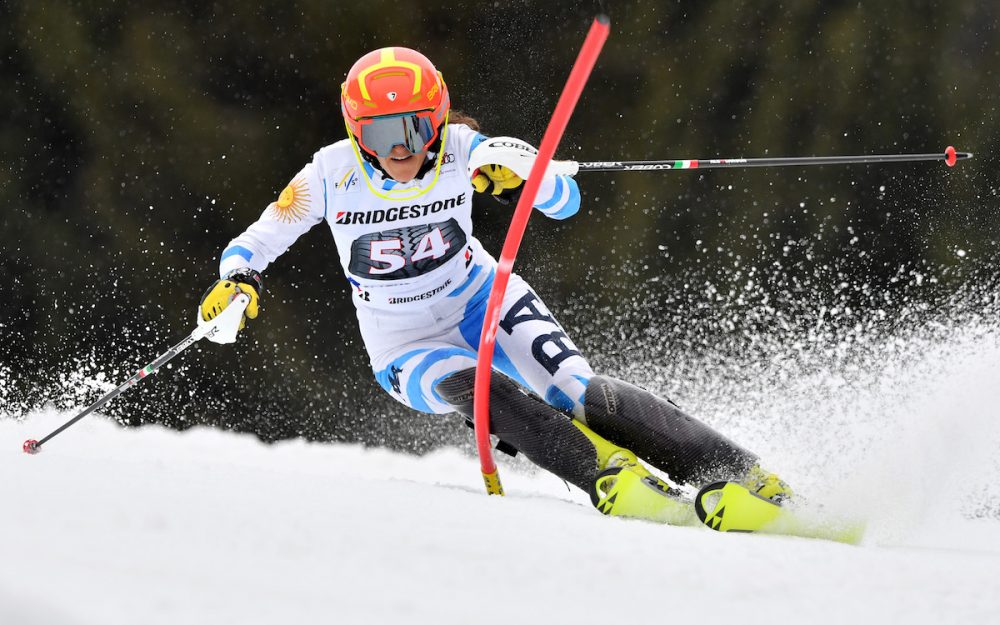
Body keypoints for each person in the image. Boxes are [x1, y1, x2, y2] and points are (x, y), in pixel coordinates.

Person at [199, 47, 791, 525]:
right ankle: (608, 477)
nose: (402, 150)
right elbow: (259, 238)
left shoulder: (463, 149)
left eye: (416, 128)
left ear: (440, 118)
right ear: (355, 133)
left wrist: (522, 172)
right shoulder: (329, 174)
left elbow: (565, 201)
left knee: (578, 392)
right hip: (403, 342)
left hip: (485, 297)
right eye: (381, 137)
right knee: (476, 388)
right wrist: (238, 282)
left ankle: (745, 476)